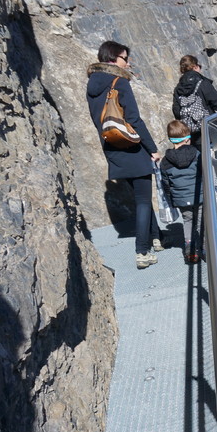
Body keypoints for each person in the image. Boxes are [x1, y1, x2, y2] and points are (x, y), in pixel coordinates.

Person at [86, 40, 164, 269]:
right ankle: (142, 251)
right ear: (112, 59)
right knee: (142, 200)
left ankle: (156, 236)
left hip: (111, 146)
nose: (127, 63)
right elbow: (134, 120)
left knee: (141, 196)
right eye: (124, 58)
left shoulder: (92, 84)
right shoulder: (119, 82)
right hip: (132, 145)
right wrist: (153, 148)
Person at [160, 120, 204, 264]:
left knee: (188, 220)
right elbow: (204, 174)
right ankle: (207, 248)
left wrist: (171, 199)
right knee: (202, 221)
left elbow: (166, 183)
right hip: (199, 195)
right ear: (187, 139)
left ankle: (190, 249)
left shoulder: (165, 161)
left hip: (180, 198)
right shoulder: (197, 154)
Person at [172, 54, 217, 147]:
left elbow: (176, 111)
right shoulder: (202, 83)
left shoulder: (178, 89)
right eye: (199, 66)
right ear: (195, 67)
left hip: (191, 130)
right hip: (208, 126)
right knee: (213, 154)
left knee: (201, 156)